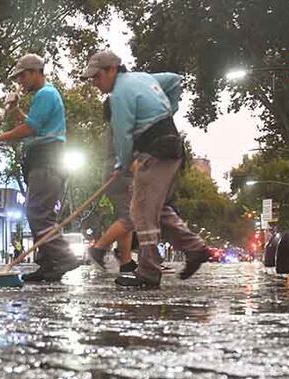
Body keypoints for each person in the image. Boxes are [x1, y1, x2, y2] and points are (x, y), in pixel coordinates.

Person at [81, 50, 210, 287]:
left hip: (155, 150)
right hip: (170, 146)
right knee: (155, 208)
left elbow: (123, 135)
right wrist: (169, 109)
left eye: (97, 77)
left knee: (140, 211)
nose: (95, 84)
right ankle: (195, 249)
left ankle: (149, 272)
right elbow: (175, 80)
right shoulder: (144, 78)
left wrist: (122, 163)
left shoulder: (118, 95)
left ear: (112, 70)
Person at [0, 53, 78, 283]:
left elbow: (30, 130)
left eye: (22, 76)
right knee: (41, 214)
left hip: (47, 162)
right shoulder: (45, 96)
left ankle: (63, 256)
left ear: (34, 72)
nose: (20, 81)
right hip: (44, 163)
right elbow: (36, 125)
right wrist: (15, 111)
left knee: (37, 213)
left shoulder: (46, 94)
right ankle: (49, 265)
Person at [88, 98, 137, 274]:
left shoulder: (114, 125)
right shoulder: (121, 125)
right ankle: (99, 248)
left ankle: (126, 261)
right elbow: (127, 150)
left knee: (125, 217)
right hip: (121, 172)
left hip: (113, 171)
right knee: (132, 217)